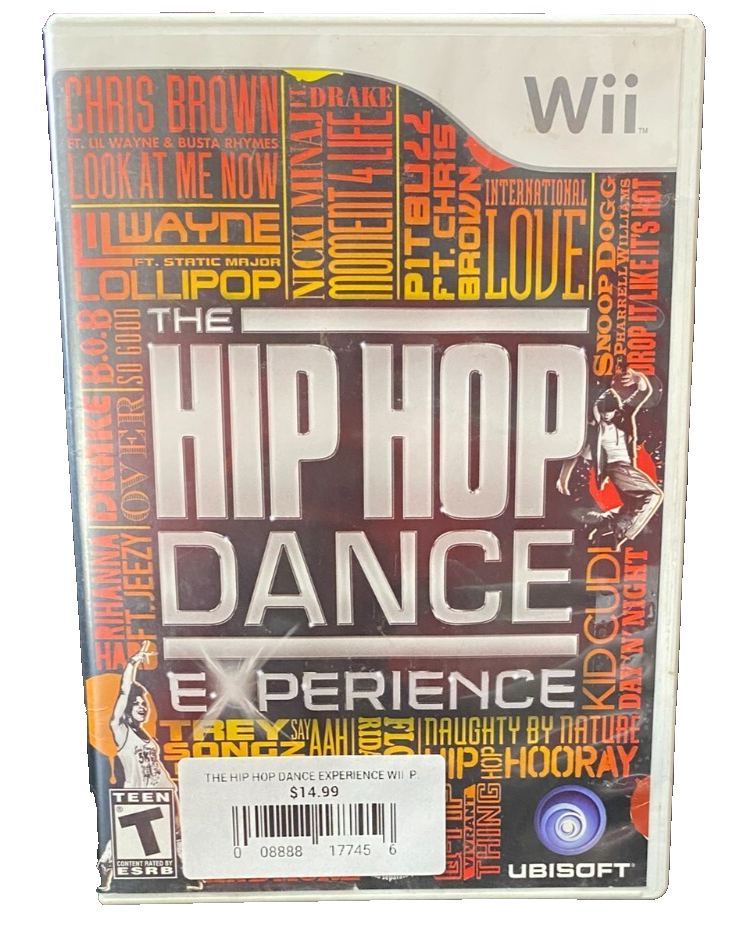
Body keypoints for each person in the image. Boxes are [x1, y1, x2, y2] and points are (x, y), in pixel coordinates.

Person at [97, 645, 202, 892]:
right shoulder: (121, 731)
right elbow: (124, 691)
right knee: (127, 833)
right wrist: (132, 664)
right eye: (136, 703)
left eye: (143, 702)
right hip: (139, 792)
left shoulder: (145, 734)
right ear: (127, 708)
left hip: (164, 790)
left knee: (177, 831)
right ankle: (106, 872)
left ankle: (186, 872)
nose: (142, 706)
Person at [557, 368, 662, 551]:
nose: (607, 415)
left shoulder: (624, 416)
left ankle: (605, 524)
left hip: (627, 466)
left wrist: (638, 378)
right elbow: (574, 454)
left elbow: (643, 392)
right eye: (603, 412)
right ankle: (622, 530)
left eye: (611, 412)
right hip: (616, 467)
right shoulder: (593, 431)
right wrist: (563, 479)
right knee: (654, 495)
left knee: (632, 506)